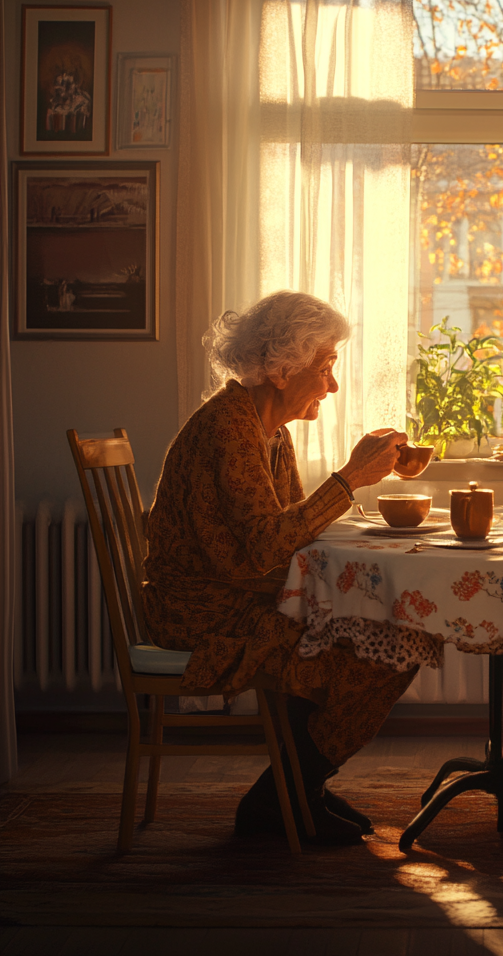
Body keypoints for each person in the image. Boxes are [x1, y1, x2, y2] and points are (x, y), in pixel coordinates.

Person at [142, 290, 416, 846]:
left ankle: (296, 789)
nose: (333, 384)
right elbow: (271, 545)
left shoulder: (269, 432)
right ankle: (285, 796)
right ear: (282, 369)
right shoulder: (227, 428)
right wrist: (349, 479)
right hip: (202, 610)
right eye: (326, 367)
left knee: (390, 635)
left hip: (241, 596)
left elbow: (293, 537)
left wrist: (352, 500)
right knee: (383, 646)